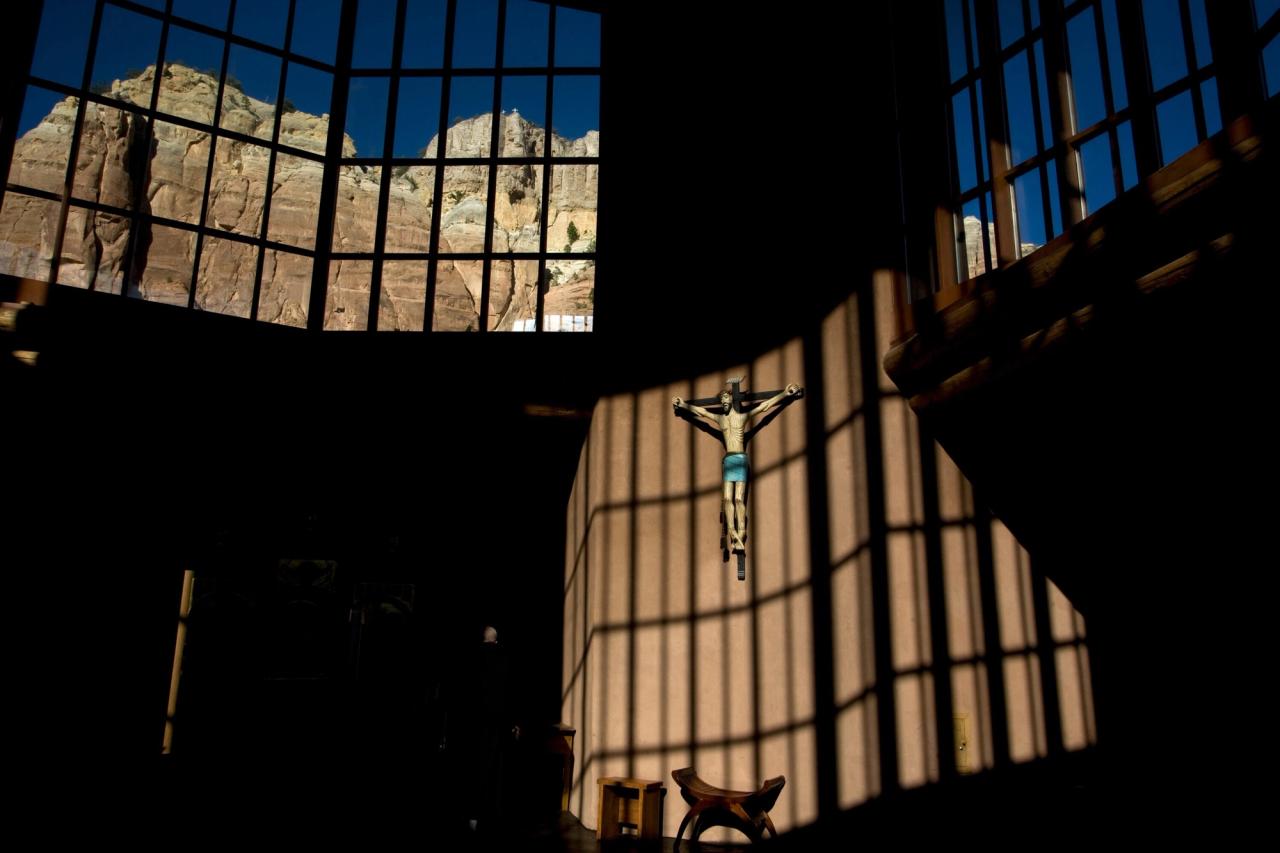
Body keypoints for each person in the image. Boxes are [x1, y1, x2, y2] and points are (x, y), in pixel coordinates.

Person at [673, 383, 802, 551]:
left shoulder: (741, 418)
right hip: (729, 459)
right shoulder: (721, 419)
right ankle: (732, 531)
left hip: (740, 459)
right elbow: (702, 413)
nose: (723, 402)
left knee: (739, 499)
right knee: (727, 498)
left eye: (726, 398)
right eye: (721, 400)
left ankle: (741, 532)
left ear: (731, 399)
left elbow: (764, 408)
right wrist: (683, 405)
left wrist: (785, 394)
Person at [453, 624, 520, 834]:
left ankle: (472, 815)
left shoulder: (469, 658)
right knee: (496, 769)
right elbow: (511, 693)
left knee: (472, 767)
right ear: (496, 640)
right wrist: (514, 723)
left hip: (472, 721)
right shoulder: (505, 658)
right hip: (498, 722)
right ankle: (494, 815)